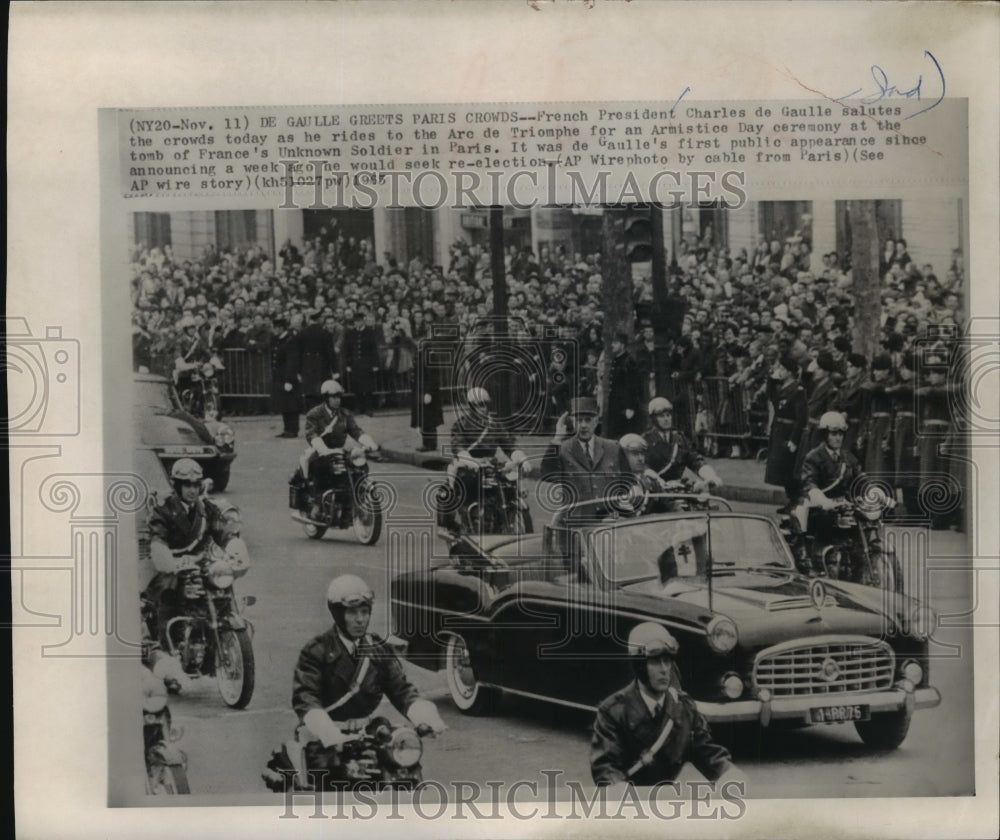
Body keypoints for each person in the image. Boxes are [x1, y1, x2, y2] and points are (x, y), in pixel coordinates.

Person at [289, 575, 446, 775]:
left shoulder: (378, 649)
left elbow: (401, 689)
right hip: (326, 735)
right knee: (325, 775)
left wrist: (424, 716)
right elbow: (305, 697)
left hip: (368, 732)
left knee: (405, 769)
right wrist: (326, 730)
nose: (360, 619)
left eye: (365, 612)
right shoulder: (316, 651)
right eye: (353, 612)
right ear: (338, 614)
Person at [590, 623, 737, 788]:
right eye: (655, 662)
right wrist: (616, 786)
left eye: (667, 661)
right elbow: (606, 767)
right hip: (629, 802)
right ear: (639, 665)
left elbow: (707, 752)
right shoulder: (613, 711)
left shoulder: (683, 708)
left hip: (666, 801)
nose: (664, 669)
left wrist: (728, 773)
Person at [144, 459, 237, 648]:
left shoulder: (205, 508)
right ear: (177, 486)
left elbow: (221, 530)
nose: (192, 490)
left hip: (198, 564)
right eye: (187, 485)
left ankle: (224, 631)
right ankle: (168, 647)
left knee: (221, 584)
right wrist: (165, 558)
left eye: (196, 485)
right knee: (169, 591)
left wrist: (234, 546)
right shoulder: (164, 509)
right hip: (171, 566)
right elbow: (158, 537)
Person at [441, 387, 529, 529]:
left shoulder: (495, 425)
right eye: (479, 405)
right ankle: (464, 521)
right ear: (471, 406)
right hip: (468, 466)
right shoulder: (461, 425)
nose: (483, 408)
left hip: (489, 465)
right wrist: (468, 459)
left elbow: (508, 444)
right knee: (461, 492)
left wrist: (519, 456)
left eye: (485, 404)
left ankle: (501, 515)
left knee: (508, 486)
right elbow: (457, 446)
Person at [301, 380, 378, 511]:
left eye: (339, 397)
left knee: (360, 465)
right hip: (320, 451)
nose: (337, 400)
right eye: (333, 397)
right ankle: (317, 504)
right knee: (321, 470)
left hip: (338, 450)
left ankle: (355, 496)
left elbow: (355, 430)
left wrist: (369, 443)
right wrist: (322, 449)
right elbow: (311, 434)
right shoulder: (314, 414)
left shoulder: (345, 414)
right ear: (326, 398)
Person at [540, 397, 626, 512]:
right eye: (579, 420)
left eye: (588, 420)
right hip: (577, 523)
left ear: (596, 422)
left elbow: (628, 483)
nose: (583, 425)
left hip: (609, 520)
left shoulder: (613, 448)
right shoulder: (563, 449)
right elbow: (547, 474)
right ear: (572, 422)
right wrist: (557, 438)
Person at [642, 397, 722, 490]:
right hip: (655, 489)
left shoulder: (680, 438)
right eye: (661, 416)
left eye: (668, 415)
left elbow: (694, 459)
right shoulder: (645, 440)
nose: (666, 419)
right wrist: (654, 478)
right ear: (654, 419)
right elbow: (642, 465)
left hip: (677, 487)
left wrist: (709, 475)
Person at [763, 355, 808, 509]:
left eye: (782, 368)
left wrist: (794, 439)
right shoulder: (780, 387)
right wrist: (771, 379)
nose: (779, 371)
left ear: (790, 372)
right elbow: (770, 397)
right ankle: (791, 499)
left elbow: (801, 417)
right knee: (780, 468)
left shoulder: (797, 389)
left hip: (788, 431)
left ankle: (795, 499)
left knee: (789, 468)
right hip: (779, 429)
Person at [607, 331, 644, 438]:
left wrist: (630, 407)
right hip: (616, 404)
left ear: (622, 345)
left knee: (624, 434)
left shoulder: (628, 361)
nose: (612, 345)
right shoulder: (617, 360)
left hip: (623, 406)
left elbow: (632, 385)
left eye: (615, 343)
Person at [271, 314, 301, 438]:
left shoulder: (290, 340)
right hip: (280, 377)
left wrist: (289, 379)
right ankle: (287, 428)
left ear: (281, 328)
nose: (274, 330)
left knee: (291, 404)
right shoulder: (279, 340)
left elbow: (291, 362)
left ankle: (293, 429)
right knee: (284, 403)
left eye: (276, 328)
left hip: (288, 377)